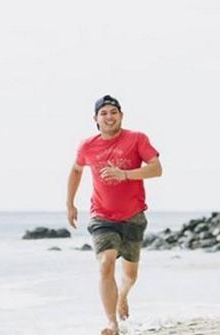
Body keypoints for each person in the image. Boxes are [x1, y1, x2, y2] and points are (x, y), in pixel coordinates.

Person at [66, 95, 162, 335]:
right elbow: (76, 170)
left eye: (113, 112)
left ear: (121, 115)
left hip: (133, 216)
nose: (109, 117)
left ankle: (123, 295)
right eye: (104, 113)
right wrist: (70, 203)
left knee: (130, 275)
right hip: (102, 216)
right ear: (96, 119)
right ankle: (112, 323)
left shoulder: (137, 139)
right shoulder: (87, 146)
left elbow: (156, 169)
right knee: (106, 263)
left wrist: (125, 174)